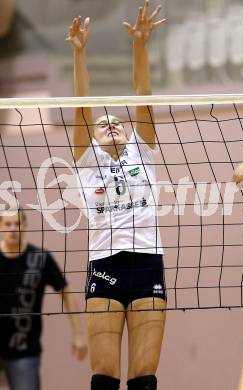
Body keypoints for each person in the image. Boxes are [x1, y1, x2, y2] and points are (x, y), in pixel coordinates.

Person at [67, 1, 167, 389]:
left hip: (147, 264)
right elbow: (82, 109)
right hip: (105, 266)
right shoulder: (87, 160)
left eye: (118, 122)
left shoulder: (142, 149)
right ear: (92, 137)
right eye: (104, 123)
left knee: (144, 378)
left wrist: (140, 45)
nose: (111, 125)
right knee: (104, 377)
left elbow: (144, 94)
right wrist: (79, 53)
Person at [0, 209, 87, 390]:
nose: (13, 229)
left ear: (25, 226)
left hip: (25, 351)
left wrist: (78, 335)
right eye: (8, 224)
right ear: (1, 227)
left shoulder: (40, 258)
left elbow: (67, 294)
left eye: (17, 224)